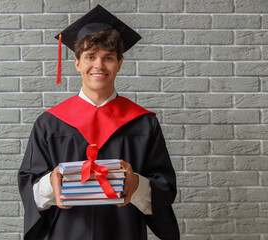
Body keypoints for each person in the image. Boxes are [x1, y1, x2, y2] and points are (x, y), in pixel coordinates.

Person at [18, 4, 179, 240]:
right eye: (90, 57)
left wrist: (136, 184)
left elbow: (164, 187)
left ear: (120, 64)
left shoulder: (143, 124)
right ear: (77, 63)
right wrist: (51, 183)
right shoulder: (50, 124)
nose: (99, 66)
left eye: (109, 58)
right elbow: (30, 190)